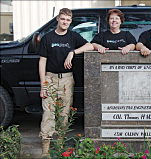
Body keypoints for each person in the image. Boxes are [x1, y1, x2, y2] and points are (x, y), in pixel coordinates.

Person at [37, 8, 93, 157]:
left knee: (64, 114)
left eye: (68, 20)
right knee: (48, 114)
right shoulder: (47, 38)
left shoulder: (73, 37)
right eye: (63, 19)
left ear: (70, 21)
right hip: (50, 79)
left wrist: (73, 52)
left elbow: (90, 45)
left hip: (67, 80)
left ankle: (60, 146)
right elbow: (42, 62)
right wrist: (43, 85)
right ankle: (46, 150)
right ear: (57, 19)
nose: (65, 22)